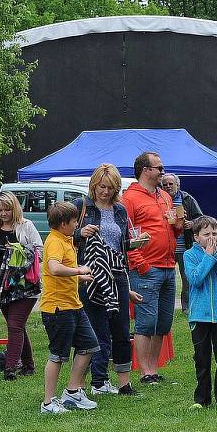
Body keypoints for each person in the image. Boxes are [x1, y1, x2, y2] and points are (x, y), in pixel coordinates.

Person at [74, 164, 144, 396]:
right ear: (94, 184)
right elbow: (60, 234)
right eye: (102, 187)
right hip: (91, 273)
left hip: (117, 273)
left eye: (110, 188)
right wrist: (79, 233)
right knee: (97, 331)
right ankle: (98, 381)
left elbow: (122, 244)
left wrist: (136, 242)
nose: (105, 191)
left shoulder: (120, 210)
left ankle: (124, 383)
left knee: (121, 329)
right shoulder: (81, 207)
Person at [122, 151, 183, 385]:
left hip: (168, 266)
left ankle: (154, 369)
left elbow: (171, 230)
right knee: (146, 321)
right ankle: (146, 372)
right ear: (145, 170)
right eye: (159, 168)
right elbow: (125, 237)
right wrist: (141, 264)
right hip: (148, 268)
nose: (162, 171)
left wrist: (178, 225)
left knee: (163, 322)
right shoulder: (130, 199)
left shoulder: (164, 196)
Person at [39, 202, 100, 414]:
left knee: (89, 346)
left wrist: (80, 278)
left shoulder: (65, 240)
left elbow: (59, 273)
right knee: (58, 355)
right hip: (57, 308)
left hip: (73, 305)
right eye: (75, 221)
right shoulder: (54, 241)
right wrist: (78, 270)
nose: (77, 224)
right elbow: (54, 268)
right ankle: (48, 403)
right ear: (64, 223)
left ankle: (72, 392)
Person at [0, 192, 43, 380]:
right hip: (3, 286)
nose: (3, 213)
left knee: (15, 325)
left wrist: (21, 251)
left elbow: (40, 251)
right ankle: (29, 366)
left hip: (25, 286)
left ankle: (10, 368)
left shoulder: (27, 226)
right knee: (18, 326)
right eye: (0, 210)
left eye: (7, 209)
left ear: (14, 208)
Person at [184, 216, 217, 409]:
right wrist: (207, 257)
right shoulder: (190, 255)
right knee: (202, 358)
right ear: (197, 237)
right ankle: (201, 399)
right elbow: (195, 279)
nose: (211, 237)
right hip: (199, 314)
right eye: (206, 234)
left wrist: (215, 257)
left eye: (214, 233)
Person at [161, 173, 203, 313]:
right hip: (167, 248)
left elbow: (201, 219)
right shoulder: (160, 199)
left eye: (170, 184)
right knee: (165, 279)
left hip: (185, 246)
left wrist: (192, 224)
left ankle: (187, 307)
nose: (167, 186)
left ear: (177, 185)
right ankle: (166, 308)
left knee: (187, 278)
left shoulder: (187, 198)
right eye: (165, 184)